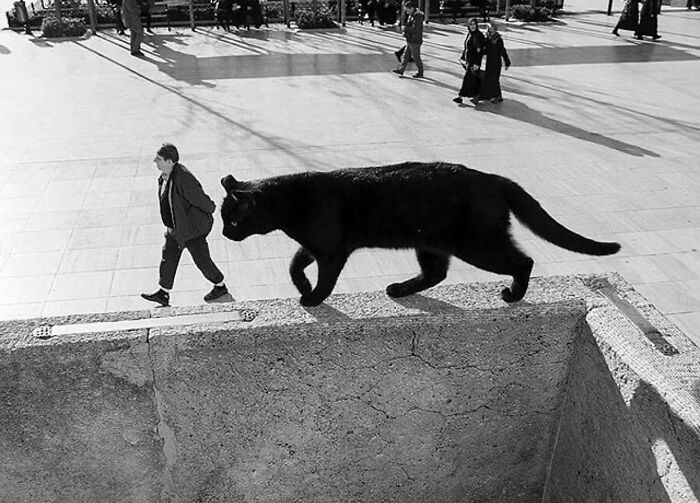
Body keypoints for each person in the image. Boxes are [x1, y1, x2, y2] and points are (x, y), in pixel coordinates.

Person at [141, 143, 229, 307]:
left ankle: (220, 286)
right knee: (168, 258)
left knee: (203, 261)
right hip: (175, 229)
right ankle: (163, 292)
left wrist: (211, 208)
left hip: (190, 230)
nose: (155, 161)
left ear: (170, 161)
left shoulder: (183, 178)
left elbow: (200, 199)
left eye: (159, 159)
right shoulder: (164, 176)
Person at [471, 22, 510, 105]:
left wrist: (507, 62)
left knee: (491, 80)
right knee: (492, 80)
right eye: (488, 28)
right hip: (489, 63)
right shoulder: (488, 39)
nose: (489, 29)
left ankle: (478, 97)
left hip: (496, 63)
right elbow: (484, 50)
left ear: (495, 29)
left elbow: (503, 51)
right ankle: (498, 96)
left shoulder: (499, 39)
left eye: (491, 28)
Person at [453, 18, 485, 104]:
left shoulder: (478, 35)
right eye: (471, 24)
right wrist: (463, 57)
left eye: (474, 24)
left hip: (474, 62)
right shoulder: (470, 34)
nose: (473, 26)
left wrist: (477, 63)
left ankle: (460, 96)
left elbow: (480, 51)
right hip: (469, 61)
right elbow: (466, 47)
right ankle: (477, 96)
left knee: (467, 79)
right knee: (474, 80)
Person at [391, 0, 424, 78]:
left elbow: (415, 28)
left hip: (415, 40)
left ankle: (420, 72)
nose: (407, 12)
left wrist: (405, 29)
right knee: (405, 56)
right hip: (410, 39)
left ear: (411, 8)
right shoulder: (412, 15)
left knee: (416, 57)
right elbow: (409, 25)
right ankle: (400, 70)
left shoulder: (418, 16)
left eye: (407, 10)